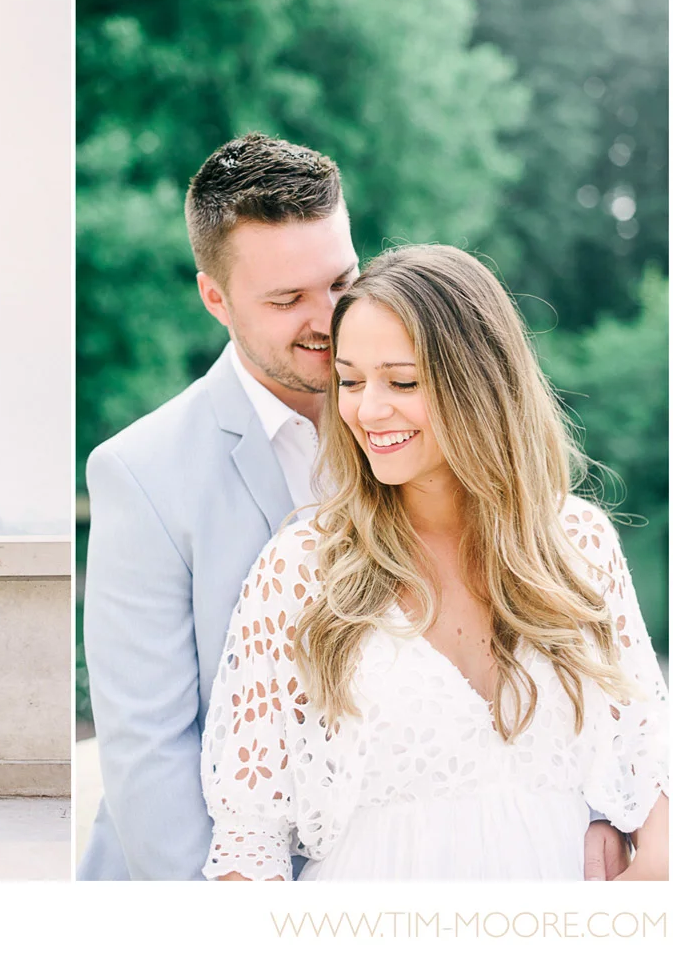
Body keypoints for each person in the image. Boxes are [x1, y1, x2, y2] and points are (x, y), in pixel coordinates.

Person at [78, 134, 631, 880]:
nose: (327, 317)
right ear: (216, 298)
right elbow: (150, 755)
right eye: (286, 300)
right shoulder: (142, 474)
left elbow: (606, 711)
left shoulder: (458, 445)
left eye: (340, 281)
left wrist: (601, 812)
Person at [202, 244, 668, 880]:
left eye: (402, 381)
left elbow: (650, 755)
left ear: (478, 384)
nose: (367, 410)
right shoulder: (303, 565)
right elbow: (248, 842)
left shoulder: (577, 543)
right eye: (350, 379)